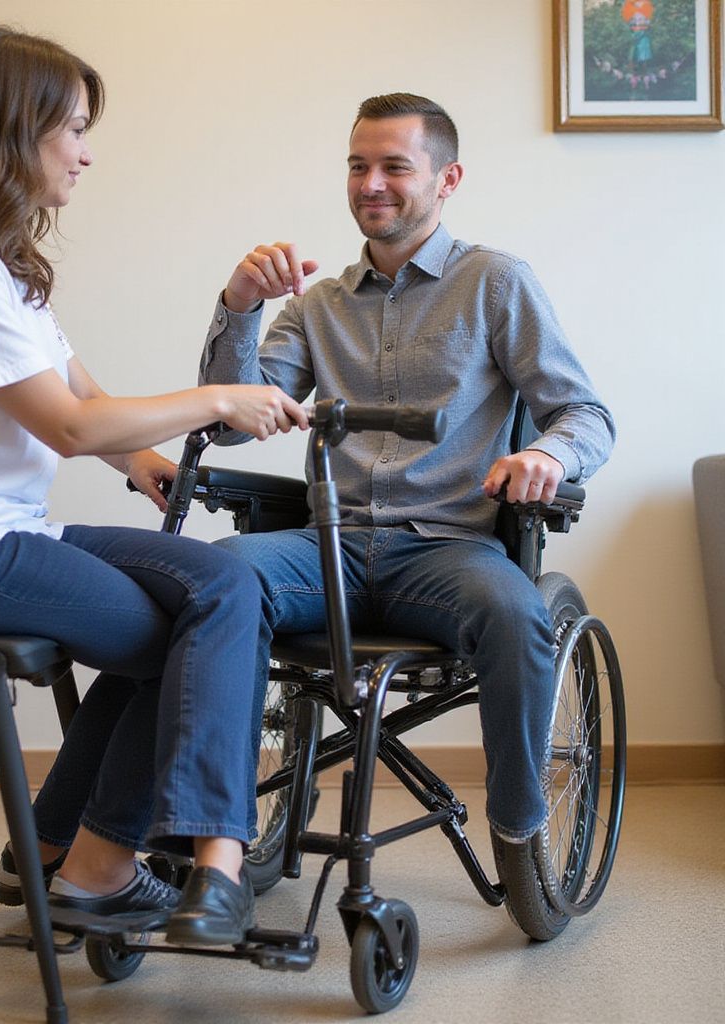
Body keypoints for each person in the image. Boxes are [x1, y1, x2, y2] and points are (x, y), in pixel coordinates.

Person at [0, 26, 308, 946]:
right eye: (74, 130)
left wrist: (138, 460)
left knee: (218, 584)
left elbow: (81, 392)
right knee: (197, 620)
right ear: (13, 130)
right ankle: (108, 864)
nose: (86, 154)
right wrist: (218, 396)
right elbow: (64, 424)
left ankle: (55, 848)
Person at [197, 93, 615, 848]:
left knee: (516, 614)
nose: (371, 184)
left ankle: (522, 834)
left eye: (395, 166)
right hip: (333, 548)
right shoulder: (315, 305)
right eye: (358, 166)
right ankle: (210, 831)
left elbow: (585, 414)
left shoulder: (495, 282)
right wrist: (241, 305)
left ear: (448, 179)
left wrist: (545, 454)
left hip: (449, 550)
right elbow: (227, 427)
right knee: (218, 574)